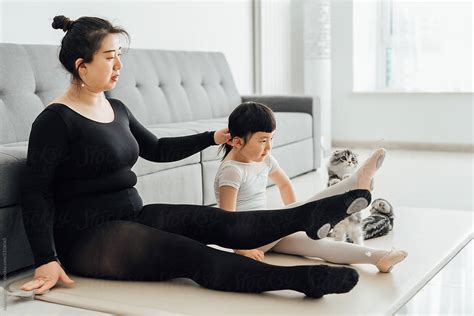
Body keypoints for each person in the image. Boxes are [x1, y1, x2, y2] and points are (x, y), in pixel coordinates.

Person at [19, 15, 372, 299]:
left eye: (120, 56)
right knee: (194, 256)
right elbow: (36, 194)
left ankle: (309, 216)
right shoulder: (55, 120)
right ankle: (303, 280)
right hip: (88, 239)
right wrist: (46, 259)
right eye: (110, 58)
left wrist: (211, 137)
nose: (119, 66)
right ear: (82, 67)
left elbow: (155, 149)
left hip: (133, 216)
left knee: (218, 222)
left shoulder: (116, 108)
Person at [214, 102, 407, 272]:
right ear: (237, 142)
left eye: (271, 138)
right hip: (247, 237)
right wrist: (241, 249)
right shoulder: (232, 171)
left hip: (269, 230)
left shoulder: (264, 158)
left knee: (319, 246)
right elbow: (225, 221)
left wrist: (296, 221)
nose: (269, 146)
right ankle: (354, 183)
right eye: (263, 140)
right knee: (302, 214)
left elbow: (284, 184)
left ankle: (378, 258)